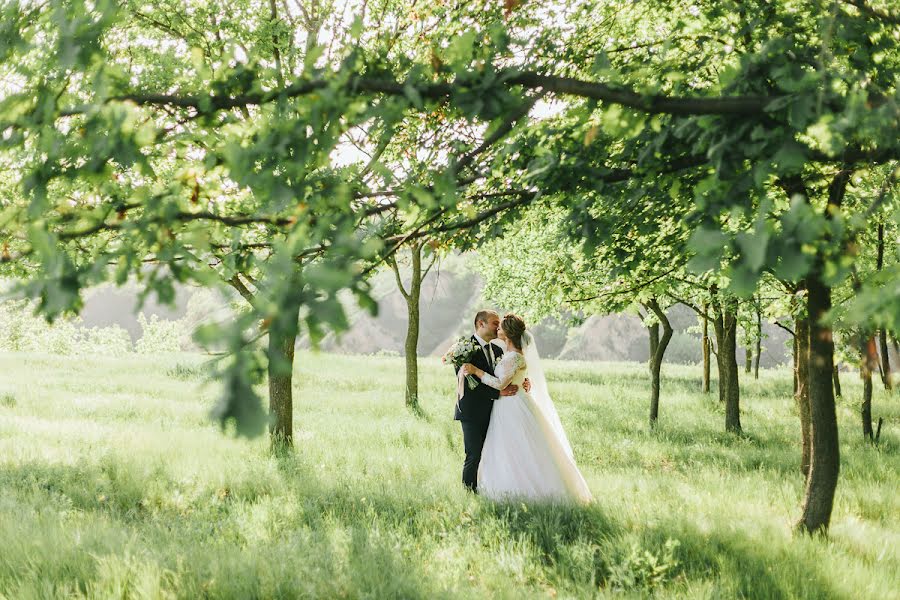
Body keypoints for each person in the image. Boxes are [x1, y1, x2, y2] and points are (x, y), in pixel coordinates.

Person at [461, 313, 591, 503]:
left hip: (512, 406)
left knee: (517, 447)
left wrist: (476, 371)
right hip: (503, 406)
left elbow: (499, 383)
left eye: (500, 326)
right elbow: (511, 375)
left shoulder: (514, 356)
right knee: (504, 448)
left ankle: (522, 489)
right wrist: (522, 380)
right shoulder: (506, 353)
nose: (497, 328)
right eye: (495, 325)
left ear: (508, 332)